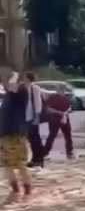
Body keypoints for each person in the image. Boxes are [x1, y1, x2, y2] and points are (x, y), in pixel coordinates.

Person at [0, 72, 32, 201]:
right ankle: (15, 189)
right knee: (6, 164)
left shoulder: (20, 93)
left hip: (16, 134)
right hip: (4, 135)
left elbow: (12, 85)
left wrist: (14, 74)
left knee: (20, 164)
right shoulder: (8, 96)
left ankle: (27, 190)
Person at [43, 83, 74, 159]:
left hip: (64, 118)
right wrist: (59, 112)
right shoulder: (53, 97)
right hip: (54, 119)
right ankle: (45, 152)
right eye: (59, 89)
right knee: (52, 135)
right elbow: (48, 109)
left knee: (68, 135)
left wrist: (67, 111)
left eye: (61, 89)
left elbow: (69, 107)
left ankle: (69, 152)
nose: (60, 91)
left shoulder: (66, 98)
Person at [24, 71, 44, 167]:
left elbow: (38, 103)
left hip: (33, 117)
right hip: (27, 117)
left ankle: (39, 159)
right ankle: (35, 159)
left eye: (24, 77)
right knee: (31, 139)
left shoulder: (34, 88)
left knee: (35, 139)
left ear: (28, 78)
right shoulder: (25, 87)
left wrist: (36, 116)